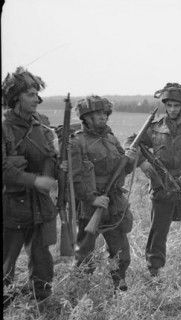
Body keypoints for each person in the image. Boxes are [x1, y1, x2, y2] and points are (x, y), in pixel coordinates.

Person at [127, 83, 181, 282]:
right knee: (158, 234)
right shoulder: (154, 129)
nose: (173, 109)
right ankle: (155, 274)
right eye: (170, 105)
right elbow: (131, 143)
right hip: (161, 191)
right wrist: (141, 162)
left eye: (177, 106)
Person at [69, 95, 138, 291]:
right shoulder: (77, 142)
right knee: (84, 254)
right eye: (97, 113)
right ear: (86, 118)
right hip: (89, 206)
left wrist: (130, 160)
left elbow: (123, 170)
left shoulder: (111, 138)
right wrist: (92, 199)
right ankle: (81, 293)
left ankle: (120, 285)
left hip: (113, 202)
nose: (102, 117)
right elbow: (74, 179)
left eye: (104, 113)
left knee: (121, 252)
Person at [2, 67, 58, 306]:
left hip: (40, 202)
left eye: (37, 94)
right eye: (31, 94)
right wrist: (34, 180)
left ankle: (42, 301)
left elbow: (50, 157)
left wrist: (57, 166)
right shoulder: (4, 127)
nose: (37, 99)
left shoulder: (42, 125)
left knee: (42, 257)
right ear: (16, 98)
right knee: (6, 259)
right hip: (13, 204)